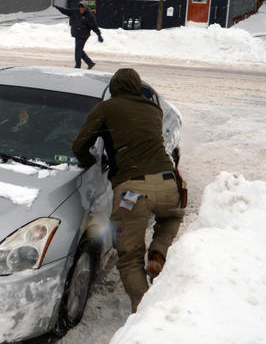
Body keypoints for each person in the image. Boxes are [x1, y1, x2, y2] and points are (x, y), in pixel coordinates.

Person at [72, 68, 183, 313]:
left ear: (114, 88)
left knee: (130, 257)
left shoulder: (106, 108)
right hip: (167, 182)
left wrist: (89, 162)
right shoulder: (154, 110)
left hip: (132, 191)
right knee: (171, 217)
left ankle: (145, 313)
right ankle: (158, 253)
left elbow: (81, 143)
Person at [54, 2, 103, 69]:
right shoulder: (75, 12)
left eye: (82, 8)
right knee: (79, 50)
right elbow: (66, 11)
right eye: (80, 8)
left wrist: (99, 35)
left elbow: (94, 26)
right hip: (77, 34)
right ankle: (90, 63)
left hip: (84, 35)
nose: (81, 9)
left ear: (85, 8)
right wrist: (58, 8)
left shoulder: (89, 16)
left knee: (78, 50)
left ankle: (78, 65)